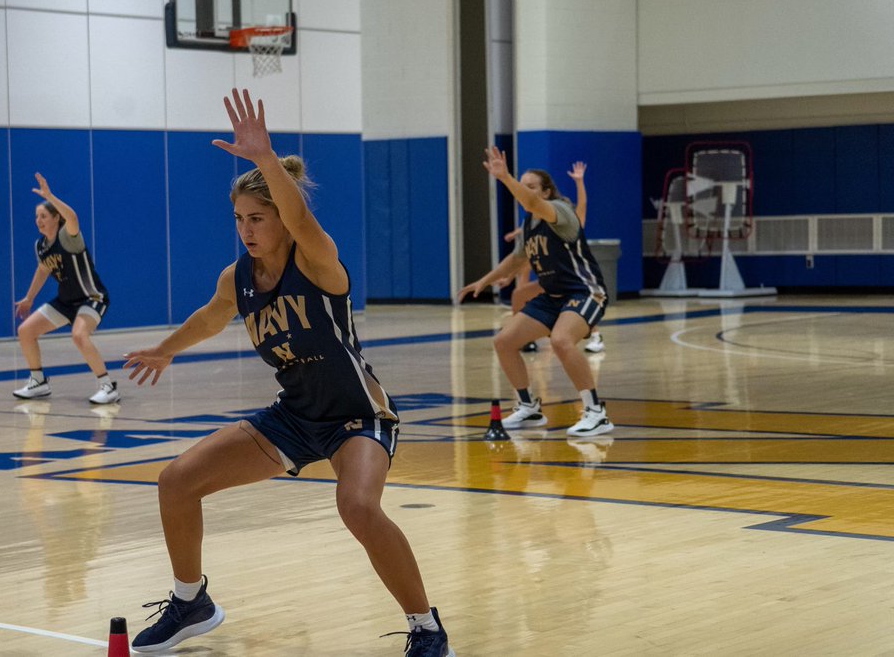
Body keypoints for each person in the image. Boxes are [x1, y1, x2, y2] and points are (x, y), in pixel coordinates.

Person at [123, 89, 454, 657]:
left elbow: (301, 216)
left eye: (258, 218)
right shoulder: (239, 278)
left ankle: (427, 629)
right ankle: (190, 601)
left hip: (358, 416)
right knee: (177, 481)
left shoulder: (317, 260)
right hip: (295, 417)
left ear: (281, 218)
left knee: (356, 507)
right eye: (239, 220)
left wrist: (265, 160)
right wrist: (166, 350)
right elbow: (210, 317)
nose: (247, 230)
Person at [458, 148, 613, 438]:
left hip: (585, 291)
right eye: (523, 185)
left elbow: (528, 200)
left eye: (531, 186)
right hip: (553, 296)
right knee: (504, 341)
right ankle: (529, 408)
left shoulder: (559, 212)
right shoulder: (529, 224)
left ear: (546, 192)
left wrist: (504, 177)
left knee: (561, 341)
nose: (525, 192)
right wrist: (485, 280)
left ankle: (596, 412)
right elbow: (516, 260)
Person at [12, 173, 118, 405]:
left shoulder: (67, 237)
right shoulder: (40, 246)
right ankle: (38, 382)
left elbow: (73, 217)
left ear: (56, 218)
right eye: (36, 217)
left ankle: (107, 386)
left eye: (43, 216)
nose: (39, 220)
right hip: (66, 301)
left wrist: (50, 196)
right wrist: (29, 298)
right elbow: (43, 270)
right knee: (26, 331)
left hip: (92, 297)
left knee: (79, 335)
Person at [500, 162, 603, 353]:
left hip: (574, 279)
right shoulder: (536, 223)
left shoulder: (571, 220)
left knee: (577, 304)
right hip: (552, 277)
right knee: (519, 293)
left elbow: (583, 205)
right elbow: (522, 255)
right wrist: (507, 275)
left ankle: (595, 335)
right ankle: (524, 337)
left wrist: (579, 182)